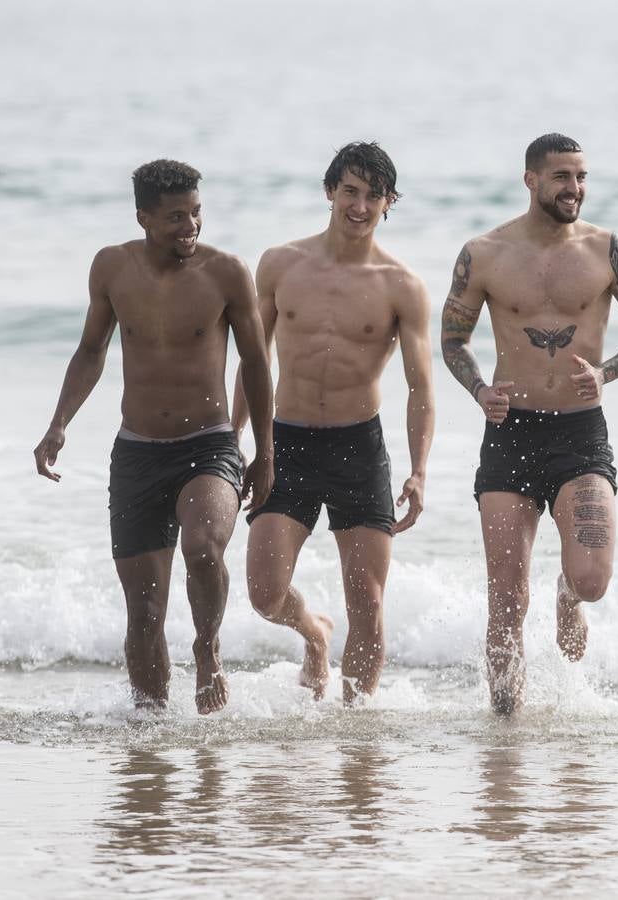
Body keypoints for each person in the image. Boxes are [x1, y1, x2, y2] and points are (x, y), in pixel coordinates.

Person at [33, 160, 274, 714]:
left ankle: (207, 646)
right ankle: (150, 740)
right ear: (143, 217)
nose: (190, 226)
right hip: (137, 452)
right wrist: (59, 423)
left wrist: (264, 452)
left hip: (209, 445)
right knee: (143, 615)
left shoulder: (227, 273)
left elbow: (257, 364)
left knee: (203, 547)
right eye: (174, 218)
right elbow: (92, 350)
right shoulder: (112, 269)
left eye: (195, 213)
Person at [441, 133, 618, 714]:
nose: (575, 189)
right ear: (531, 180)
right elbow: (452, 340)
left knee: (591, 578)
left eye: (582, 177)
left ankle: (566, 594)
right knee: (506, 601)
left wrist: (607, 372)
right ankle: (505, 728)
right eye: (563, 177)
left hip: (579, 432)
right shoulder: (484, 253)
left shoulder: (607, 250)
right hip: (509, 431)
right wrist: (479, 389)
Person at [232, 142, 434, 704]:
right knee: (264, 592)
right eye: (350, 191)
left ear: (389, 202)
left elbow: (421, 387)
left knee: (367, 602)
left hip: (359, 449)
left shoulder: (402, 285)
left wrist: (419, 471)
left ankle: (357, 732)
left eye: (374, 195)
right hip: (287, 443)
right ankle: (313, 633)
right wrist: (236, 439)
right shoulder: (280, 264)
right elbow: (256, 358)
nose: (360, 205)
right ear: (330, 192)